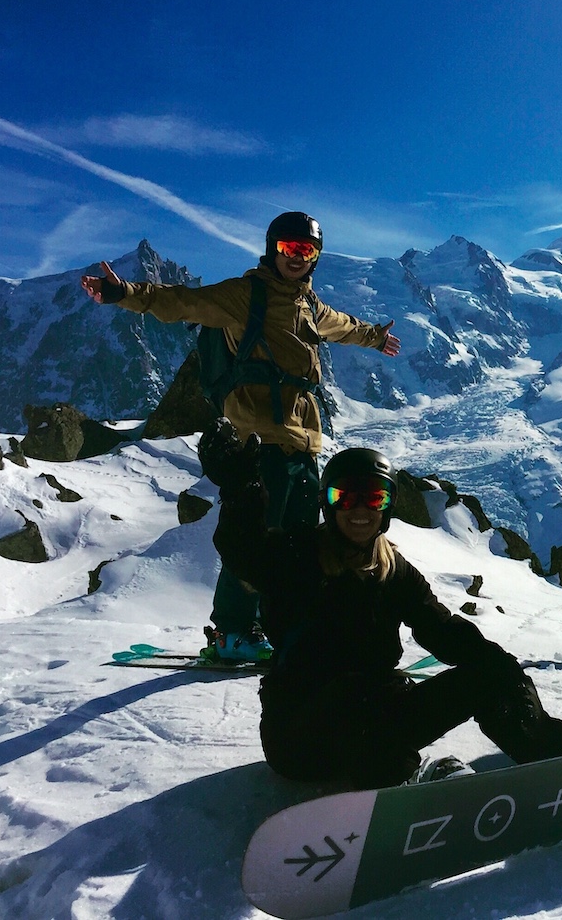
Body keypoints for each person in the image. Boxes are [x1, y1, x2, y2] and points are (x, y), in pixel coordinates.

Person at [197, 418, 562, 789]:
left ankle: (560, 752)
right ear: (327, 503)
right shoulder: (296, 555)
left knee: (488, 673)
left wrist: (501, 669)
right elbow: (244, 550)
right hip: (302, 733)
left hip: (380, 716)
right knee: (359, 710)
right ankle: (410, 782)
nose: (359, 510)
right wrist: (242, 489)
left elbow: (443, 631)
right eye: (345, 496)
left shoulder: (393, 570)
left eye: (374, 498)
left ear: (388, 507)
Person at [81, 211, 401, 660]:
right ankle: (232, 631)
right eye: (289, 248)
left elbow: (342, 326)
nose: (297, 257)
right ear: (273, 249)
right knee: (255, 536)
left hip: (303, 441)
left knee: (299, 541)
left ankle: (281, 627)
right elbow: (181, 302)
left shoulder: (309, 305)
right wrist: (123, 293)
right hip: (259, 439)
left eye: (306, 250)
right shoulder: (244, 295)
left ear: (316, 257)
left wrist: (374, 337)